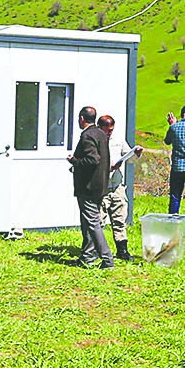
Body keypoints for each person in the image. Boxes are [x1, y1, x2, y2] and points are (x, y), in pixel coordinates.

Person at [70, 105, 114, 269]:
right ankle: (87, 257)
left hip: (88, 186)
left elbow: (93, 159)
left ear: (82, 119)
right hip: (100, 185)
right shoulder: (101, 134)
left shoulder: (87, 135)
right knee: (89, 222)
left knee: (93, 223)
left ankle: (107, 259)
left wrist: (74, 161)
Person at [100, 114, 142, 262]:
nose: (109, 132)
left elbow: (128, 157)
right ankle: (97, 249)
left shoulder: (118, 140)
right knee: (99, 220)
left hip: (117, 185)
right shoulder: (95, 141)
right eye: (107, 130)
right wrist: (108, 167)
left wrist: (136, 154)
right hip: (102, 187)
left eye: (111, 130)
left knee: (119, 218)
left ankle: (122, 250)